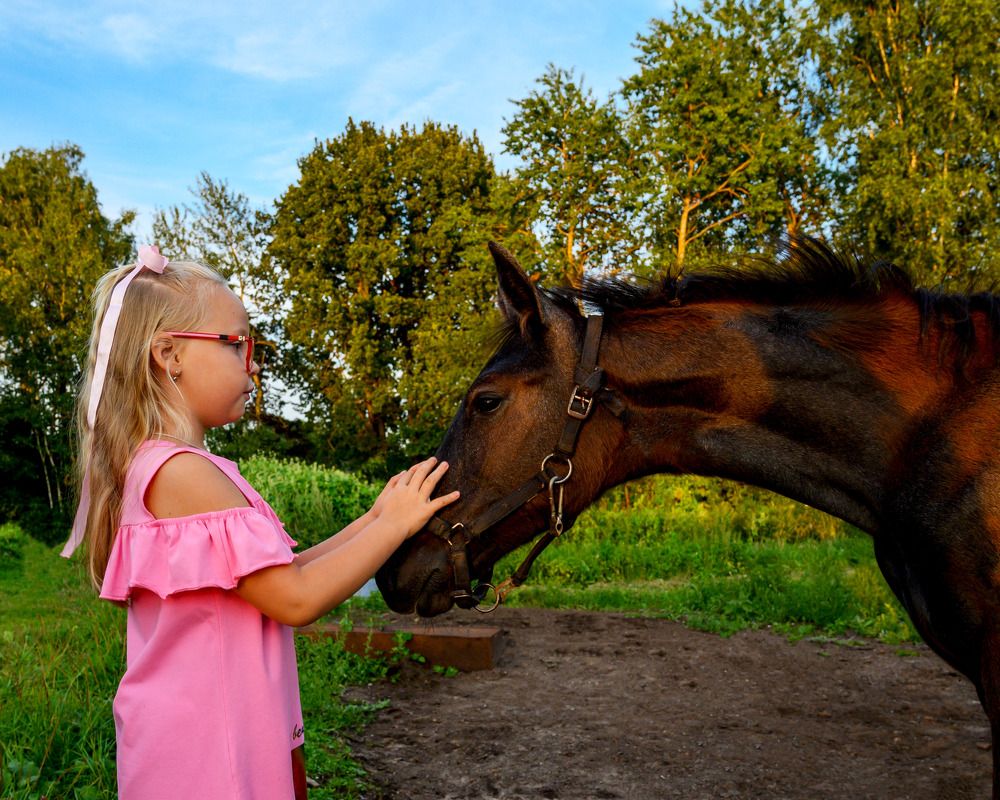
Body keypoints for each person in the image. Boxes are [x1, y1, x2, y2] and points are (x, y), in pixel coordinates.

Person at [61, 245, 459, 800]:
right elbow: (294, 599)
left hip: (217, 736)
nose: (253, 365)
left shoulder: (182, 468)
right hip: (211, 757)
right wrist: (391, 527)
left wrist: (377, 517)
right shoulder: (179, 473)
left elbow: (282, 572)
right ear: (169, 354)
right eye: (237, 344)